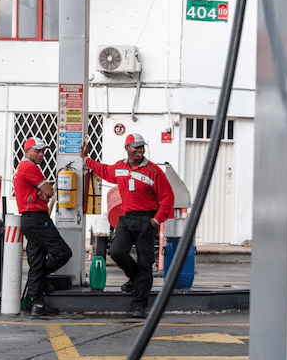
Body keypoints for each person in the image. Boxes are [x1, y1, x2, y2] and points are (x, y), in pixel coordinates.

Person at [81, 134, 174, 319]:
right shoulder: (120, 167)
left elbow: (168, 198)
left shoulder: (153, 171)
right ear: (127, 148)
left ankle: (139, 304)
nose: (139, 151)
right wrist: (86, 160)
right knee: (116, 251)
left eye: (142, 148)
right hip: (127, 218)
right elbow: (105, 170)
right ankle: (136, 278)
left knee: (145, 262)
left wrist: (156, 220)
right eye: (136, 147)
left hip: (147, 220)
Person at [14, 136, 72, 317]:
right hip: (37, 219)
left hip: (30, 219)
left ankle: (37, 303)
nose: (41, 154)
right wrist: (44, 192)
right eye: (37, 151)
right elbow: (49, 191)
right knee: (63, 253)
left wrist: (42, 192)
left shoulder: (23, 168)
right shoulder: (29, 167)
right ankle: (38, 283)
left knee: (37, 260)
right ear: (27, 151)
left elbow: (45, 192)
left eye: (43, 151)